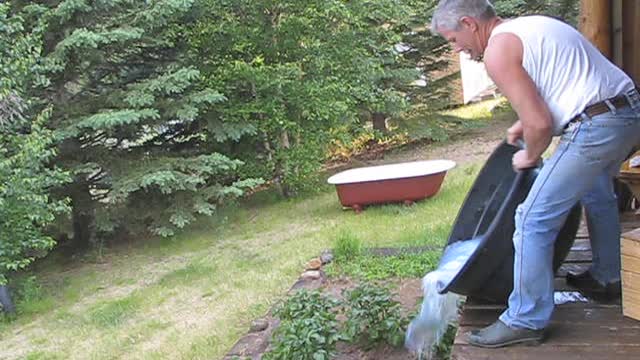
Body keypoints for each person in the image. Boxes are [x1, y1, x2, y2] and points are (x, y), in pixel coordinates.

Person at [430, 0, 640, 348]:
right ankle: (608, 277)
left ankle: (525, 317)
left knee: (531, 219)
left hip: (597, 125)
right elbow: (554, 92)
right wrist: (521, 125)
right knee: (596, 193)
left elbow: (541, 124)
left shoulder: (498, 51)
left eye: (453, 40)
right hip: (626, 112)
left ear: (469, 23)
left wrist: (529, 155)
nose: (458, 50)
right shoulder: (529, 27)